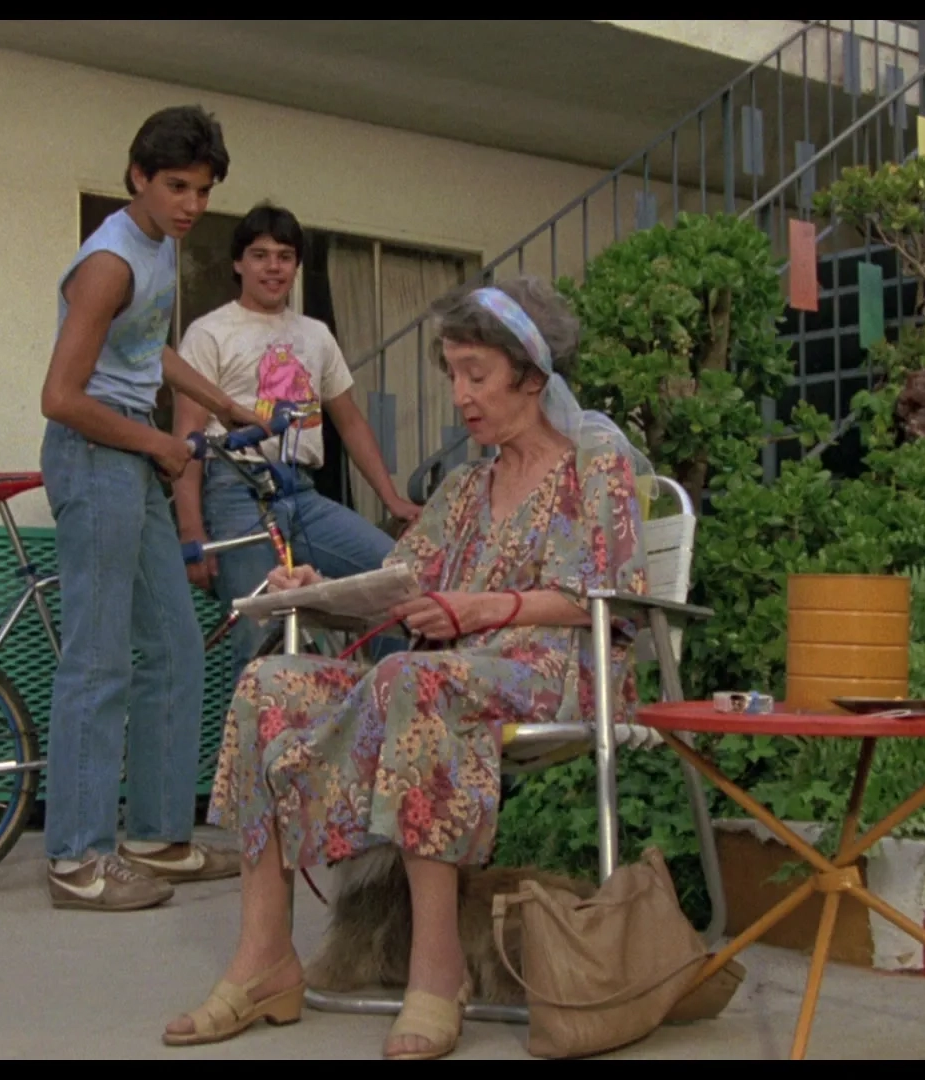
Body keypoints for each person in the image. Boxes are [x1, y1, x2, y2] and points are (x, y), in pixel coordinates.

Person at [162, 276, 654, 1058]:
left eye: (476, 375)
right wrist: (317, 588)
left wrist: (480, 610)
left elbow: (609, 597)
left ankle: (436, 971)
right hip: (451, 671)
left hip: (559, 669)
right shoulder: (464, 486)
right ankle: (265, 959)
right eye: (452, 373)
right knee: (268, 686)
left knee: (415, 681)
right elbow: (400, 585)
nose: (459, 394)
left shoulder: (595, 472)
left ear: (531, 374)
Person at [37, 105, 268, 913]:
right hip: (97, 458)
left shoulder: (162, 246)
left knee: (176, 647)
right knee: (97, 663)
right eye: (177, 186)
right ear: (138, 177)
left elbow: (147, 350)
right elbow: (60, 397)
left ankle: (158, 837)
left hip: (130, 458)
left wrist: (225, 405)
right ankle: (77, 860)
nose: (191, 205)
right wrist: (161, 447)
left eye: (203, 190)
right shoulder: (107, 263)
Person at [171, 202, 421, 676]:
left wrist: (391, 497)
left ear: (296, 265)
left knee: (394, 580)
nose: (273, 267)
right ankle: (260, 749)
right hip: (235, 489)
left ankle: (387, 712)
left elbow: (349, 421)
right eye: (260, 255)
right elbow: (189, 433)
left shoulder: (316, 335)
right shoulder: (210, 332)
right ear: (237, 263)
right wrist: (192, 531)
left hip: (300, 491)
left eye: (284, 256)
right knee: (260, 634)